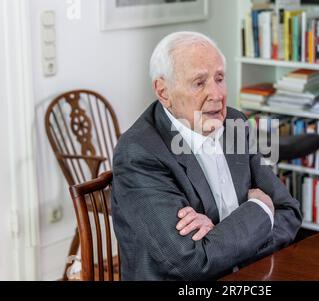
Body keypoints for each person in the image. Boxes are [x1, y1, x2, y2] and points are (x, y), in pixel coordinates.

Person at [112, 31, 302, 281]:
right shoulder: (139, 152)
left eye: (220, 78)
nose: (217, 94)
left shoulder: (234, 123)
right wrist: (260, 209)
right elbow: (190, 262)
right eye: (199, 82)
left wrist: (220, 239)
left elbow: (289, 212)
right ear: (163, 91)